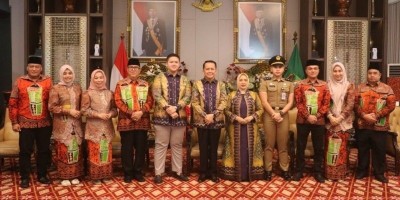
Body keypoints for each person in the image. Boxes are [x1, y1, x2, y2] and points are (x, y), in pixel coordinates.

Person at [9, 56, 53, 188]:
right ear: (27, 68)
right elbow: (13, 103)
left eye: (37, 67)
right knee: (25, 151)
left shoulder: (48, 81)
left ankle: (42, 175)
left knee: (44, 150)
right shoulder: (20, 81)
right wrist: (14, 122)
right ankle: (24, 177)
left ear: (41, 69)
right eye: (31, 66)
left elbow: (53, 101)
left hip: (44, 123)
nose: (34, 69)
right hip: (25, 123)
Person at [152, 53, 191, 184]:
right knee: (161, 145)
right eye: (171, 62)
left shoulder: (185, 80)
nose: (174, 64)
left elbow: (187, 96)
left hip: (179, 118)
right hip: (162, 116)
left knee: (177, 145)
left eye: (176, 62)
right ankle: (158, 172)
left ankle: (177, 171)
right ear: (167, 64)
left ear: (179, 64)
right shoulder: (159, 77)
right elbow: (156, 94)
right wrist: (168, 108)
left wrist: (177, 107)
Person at [354, 63, 396, 183]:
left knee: (379, 150)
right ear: (367, 74)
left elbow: (391, 105)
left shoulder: (387, 88)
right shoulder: (360, 88)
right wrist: (364, 116)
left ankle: (379, 173)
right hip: (363, 125)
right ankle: (362, 170)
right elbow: (355, 104)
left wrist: (376, 115)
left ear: (380, 75)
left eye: (375, 73)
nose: (372, 76)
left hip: (380, 126)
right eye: (370, 73)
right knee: (362, 149)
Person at [114, 58, 153, 183]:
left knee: (141, 148)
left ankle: (138, 171)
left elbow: (150, 101)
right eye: (131, 67)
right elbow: (118, 101)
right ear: (127, 69)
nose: (133, 70)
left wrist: (141, 112)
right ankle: (128, 172)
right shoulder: (120, 84)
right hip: (126, 122)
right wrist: (131, 113)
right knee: (127, 148)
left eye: (135, 68)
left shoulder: (146, 84)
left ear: (139, 70)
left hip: (142, 121)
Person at [221, 73, 264, 181]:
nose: (243, 82)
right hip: (234, 128)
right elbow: (226, 110)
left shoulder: (254, 95)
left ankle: (251, 174)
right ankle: (235, 175)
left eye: (245, 80)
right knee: (234, 150)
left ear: (248, 82)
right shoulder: (231, 95)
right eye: (241, 80)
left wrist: (252, 117)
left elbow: (261, 109)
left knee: (250, 150)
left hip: (251, 129)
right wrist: (236, 118)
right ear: (237, 82)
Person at [292, 59, 331, 183]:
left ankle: (318, 172)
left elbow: (326, 103)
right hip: (303, 120)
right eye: (310, 68)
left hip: (319, 122)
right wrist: (308, 116)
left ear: (318, 70)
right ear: (306, 70)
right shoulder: (300, 84)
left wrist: (318, 115)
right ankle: (299, 170)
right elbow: (298, 103)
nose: (312, 71)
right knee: (301, 146)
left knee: (319, 147)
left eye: (315, 68)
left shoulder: (324, 85)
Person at [258, 55, 294, 181]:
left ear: (284, 68)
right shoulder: (265, 83)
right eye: (275, 67)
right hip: (269, 115)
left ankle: (284, 168)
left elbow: (290, 102)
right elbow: (264, 101)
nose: (278, 69)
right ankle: (268, 169)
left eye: (280, 66)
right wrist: (274, 114)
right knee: (269, 144)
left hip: (283, 115)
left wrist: (281, 113)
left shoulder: (289, 84)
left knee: (283, 144)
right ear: (270, 69)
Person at [191, 60, 227, 183]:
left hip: (216, 121)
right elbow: (194, 102)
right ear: (203, 70)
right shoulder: (197, 84)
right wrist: (205, 115)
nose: (210, 71)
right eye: (207, 69)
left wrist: (213, 114)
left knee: (213, 148)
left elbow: (224, 101)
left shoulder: (221, 84)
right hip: (202, 121)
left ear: (215, 70)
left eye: (212, 69)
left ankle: (213, 173)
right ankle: (202, 172)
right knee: (203, 148)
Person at [48, 65, 84, 186]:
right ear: (61, 75)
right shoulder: (56, 88)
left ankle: (74, 174)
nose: (67, 75)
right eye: (65, 73)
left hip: (76, 124)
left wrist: (81, 112)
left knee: (75, 149)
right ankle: (64, 176)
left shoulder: (78, 87)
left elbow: (82, 104)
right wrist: (68, 111)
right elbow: (51, 107)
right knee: (63, 150)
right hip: (62, 124)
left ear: (73, 74)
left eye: (70, 73)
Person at [81, 69, 118, 183]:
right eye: (96, 78)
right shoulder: (87, 93)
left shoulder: (109, 93)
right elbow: (84, 111)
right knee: (95, 151)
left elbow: (114, 110)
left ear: (104, 79)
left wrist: (110, 114)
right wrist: (98, 115)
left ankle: (106, 175)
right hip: (94, 128)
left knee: (106, 151)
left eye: (101, 77)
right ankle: (96, 176)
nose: (99, 80)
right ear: (92, 79)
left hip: (107, 127)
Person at [324, 62, 355, 181]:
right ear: (331, 72)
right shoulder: (327, 85)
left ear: (344, 72)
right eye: (335, 71)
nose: (337, 73)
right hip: (330, 122)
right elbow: (324, 102)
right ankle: (329, 174)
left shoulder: (349, 85)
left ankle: (341, 174)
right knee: (330, 148)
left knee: (342, 149)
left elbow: (350, 104)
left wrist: (340, 118)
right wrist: (331, 117)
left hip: (343, 123)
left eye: (340, 71)